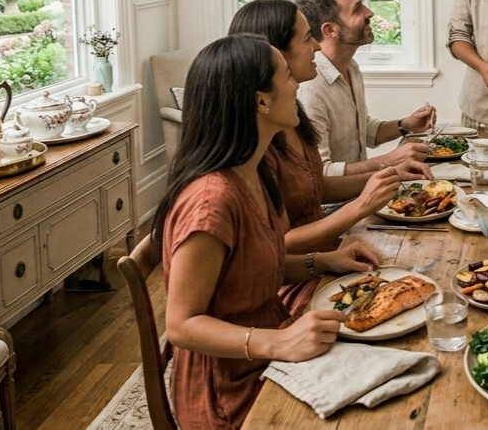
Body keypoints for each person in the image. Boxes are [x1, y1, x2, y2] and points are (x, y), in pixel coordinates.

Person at [154, 34, 382, 430]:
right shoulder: (212, 201)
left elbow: (253, 268)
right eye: (286, 78)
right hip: (228, 386)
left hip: (269, 342)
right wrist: (277, 342)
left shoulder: (254, 172)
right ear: (261, 101)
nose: (297, 84)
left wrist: (323, 261)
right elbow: (181, 325)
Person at [227, 0, 432, 317]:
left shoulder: (292, 112)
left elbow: (314, 185)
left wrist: (383, 178)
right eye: (307, 38)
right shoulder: (260, 143)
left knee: (420, 278)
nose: (317, 48)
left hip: (322, 255)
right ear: (272, 56)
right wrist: (364, 200)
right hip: (292, 279)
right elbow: (276, 248)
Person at [295, 0, 436, 177]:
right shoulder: (310, 89)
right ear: (330, 30)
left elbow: (362, 131)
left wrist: (405, 125)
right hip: (335, 207)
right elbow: (321, 172)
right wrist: (389, 161)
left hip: (362, 192)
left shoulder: (350, 66)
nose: (369, 13)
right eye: (357, 8)